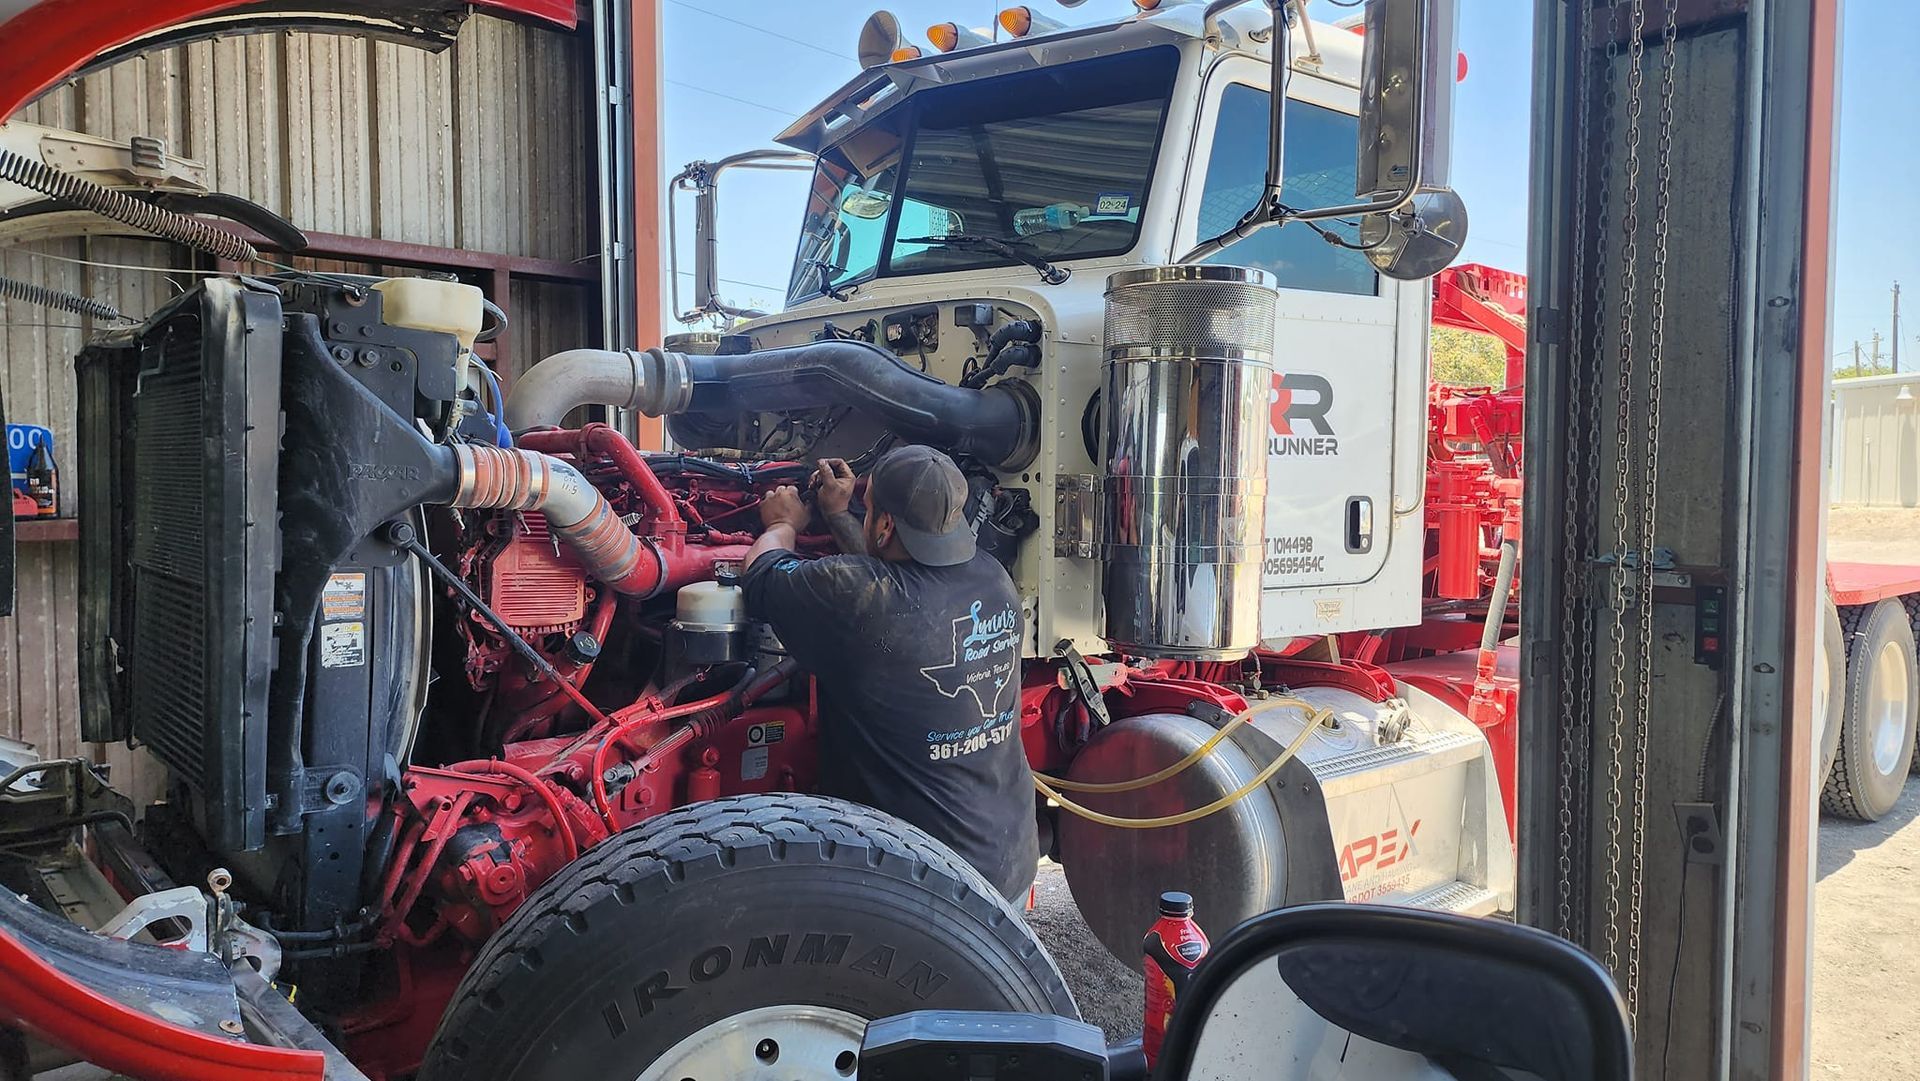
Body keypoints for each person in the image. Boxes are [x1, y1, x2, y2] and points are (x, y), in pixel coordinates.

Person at [739, 445, 1039, 902]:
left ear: (883, 525)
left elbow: (762, 574)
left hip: (927, 891)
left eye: (869, 502)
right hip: (1007, 865)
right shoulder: (992, 578)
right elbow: (893, 585)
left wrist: (783, 523)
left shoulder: (856, 598)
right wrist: (840, 512)